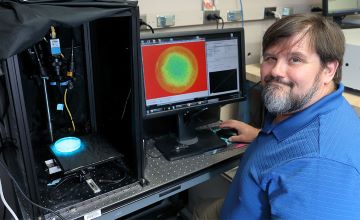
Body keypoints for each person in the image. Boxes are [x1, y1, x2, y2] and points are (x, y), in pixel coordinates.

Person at [219, 13, 360, 219]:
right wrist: (261, 135)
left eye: (295, 59)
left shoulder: (320, 165)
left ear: (329, 70)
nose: (276, 71)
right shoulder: (310, 108)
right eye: (270, 58)